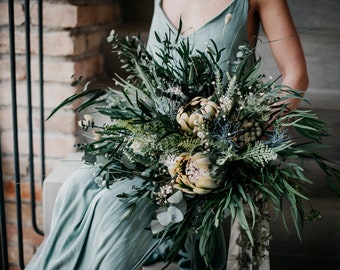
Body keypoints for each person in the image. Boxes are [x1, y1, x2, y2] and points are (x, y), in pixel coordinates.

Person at [26, 0, 308, 269]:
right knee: (77, 188)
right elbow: (155, 79)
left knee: (113, 209)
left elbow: (296, 75)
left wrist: (247, 136)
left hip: (212, 151)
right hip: (157, 144)